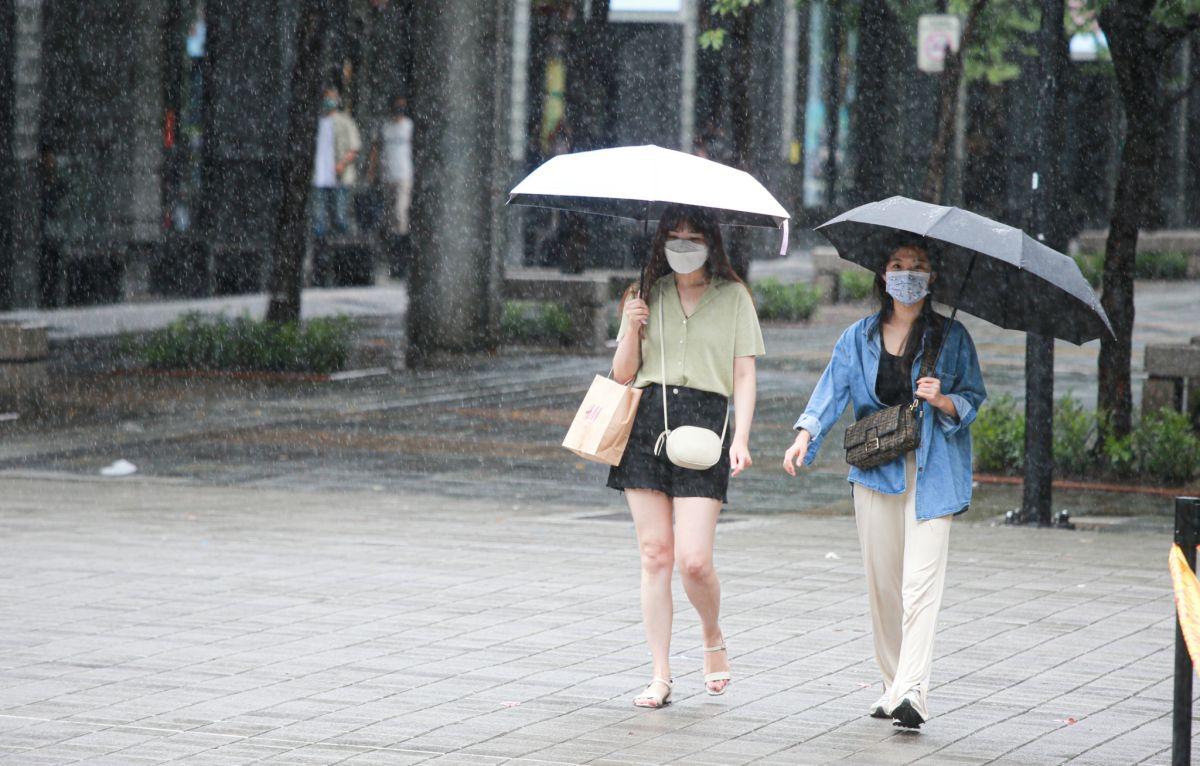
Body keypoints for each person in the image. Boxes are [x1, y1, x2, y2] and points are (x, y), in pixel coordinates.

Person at [782, 235, 986, 730]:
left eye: (918, 265)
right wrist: (804, 436)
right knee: (884, 587)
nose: (907, 274)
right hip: (876, 471)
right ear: (883, 274)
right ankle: (894, 683)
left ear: (932, 277)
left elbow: (973, 398)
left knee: (920, 585)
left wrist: (942, 400)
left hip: (934, 472)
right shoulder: (858, 337)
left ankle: (913, 690)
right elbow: (831, 391)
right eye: (898, 264)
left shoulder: (951, 337)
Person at [609, 204, 765, 709]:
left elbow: (744, 374)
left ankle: (711, 632)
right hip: (647, 422)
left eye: (692, 237)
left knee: (694, 561)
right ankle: (660, 674)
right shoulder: (644, 293)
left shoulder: (734, 297)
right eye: (673, 236)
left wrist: (741, 438)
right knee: (656, 554)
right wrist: (631, 326)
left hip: (705, 425)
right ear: (660, 242)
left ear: (710, 242)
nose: (682, 245)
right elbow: (622, 374)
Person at [312, 86, 362, 241]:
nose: (329, 101)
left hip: (340, 177)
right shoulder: (317, 122)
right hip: (320, 177)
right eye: (327, 97)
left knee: (340, 217)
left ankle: (341, 248)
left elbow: (354, 148)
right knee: (319, 220)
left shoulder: (345, 121)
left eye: (332, 98)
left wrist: (342, 164)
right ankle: (321, 248)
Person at [370, 95, 414, 237]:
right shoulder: (385, 127)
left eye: (403, 105)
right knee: (388, 211)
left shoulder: (409, 125)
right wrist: (372, 171)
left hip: (404, 175)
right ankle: (390, 239)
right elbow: (375, 149)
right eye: (398, 105)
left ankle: (401, 238)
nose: (400, 108)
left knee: (400, 211)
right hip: (387, 175)